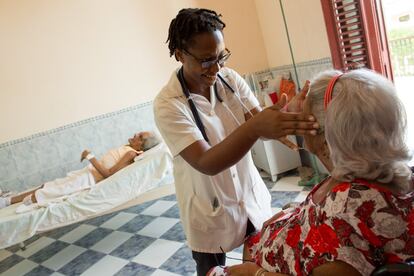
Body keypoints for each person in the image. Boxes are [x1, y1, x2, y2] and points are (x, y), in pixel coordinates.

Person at [153, 8, 319, 275]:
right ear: (180, 55)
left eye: (222, 57)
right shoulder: (168, 104)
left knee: (257, 263)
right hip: (207, 210)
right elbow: (206, 162)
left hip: (248, 195)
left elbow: (261, 125)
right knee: (211, 272)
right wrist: (256, 127)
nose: (216, 68)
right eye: (207, 61)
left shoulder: (229, 79)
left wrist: (286, 114)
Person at [208, 69, 414, 276]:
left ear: (327, 138)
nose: (300, 122)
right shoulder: (384, 173)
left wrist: (256, 273)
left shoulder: (342, 217)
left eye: (305, 116)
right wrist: (297, 212)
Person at [0, 131, 160, 208]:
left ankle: (7, 202)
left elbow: (108, 174)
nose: (135, 134)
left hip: (89, 180)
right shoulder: (126, 148)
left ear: (142, 145)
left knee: (47, 192)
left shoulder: (131, 153)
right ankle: (9, 199)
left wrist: (90, 156)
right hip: (86, 173)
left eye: (140, 136)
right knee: (47, 186)